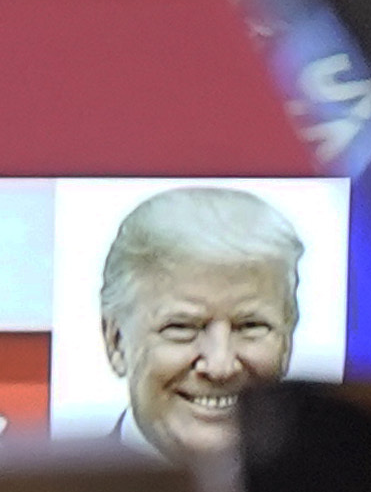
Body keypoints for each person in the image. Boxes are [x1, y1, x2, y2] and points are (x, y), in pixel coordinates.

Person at [95, 185, 306, 458]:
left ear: (287, 339)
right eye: (182, 328)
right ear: (116, 342)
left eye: (250, 326)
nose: (220, 366)